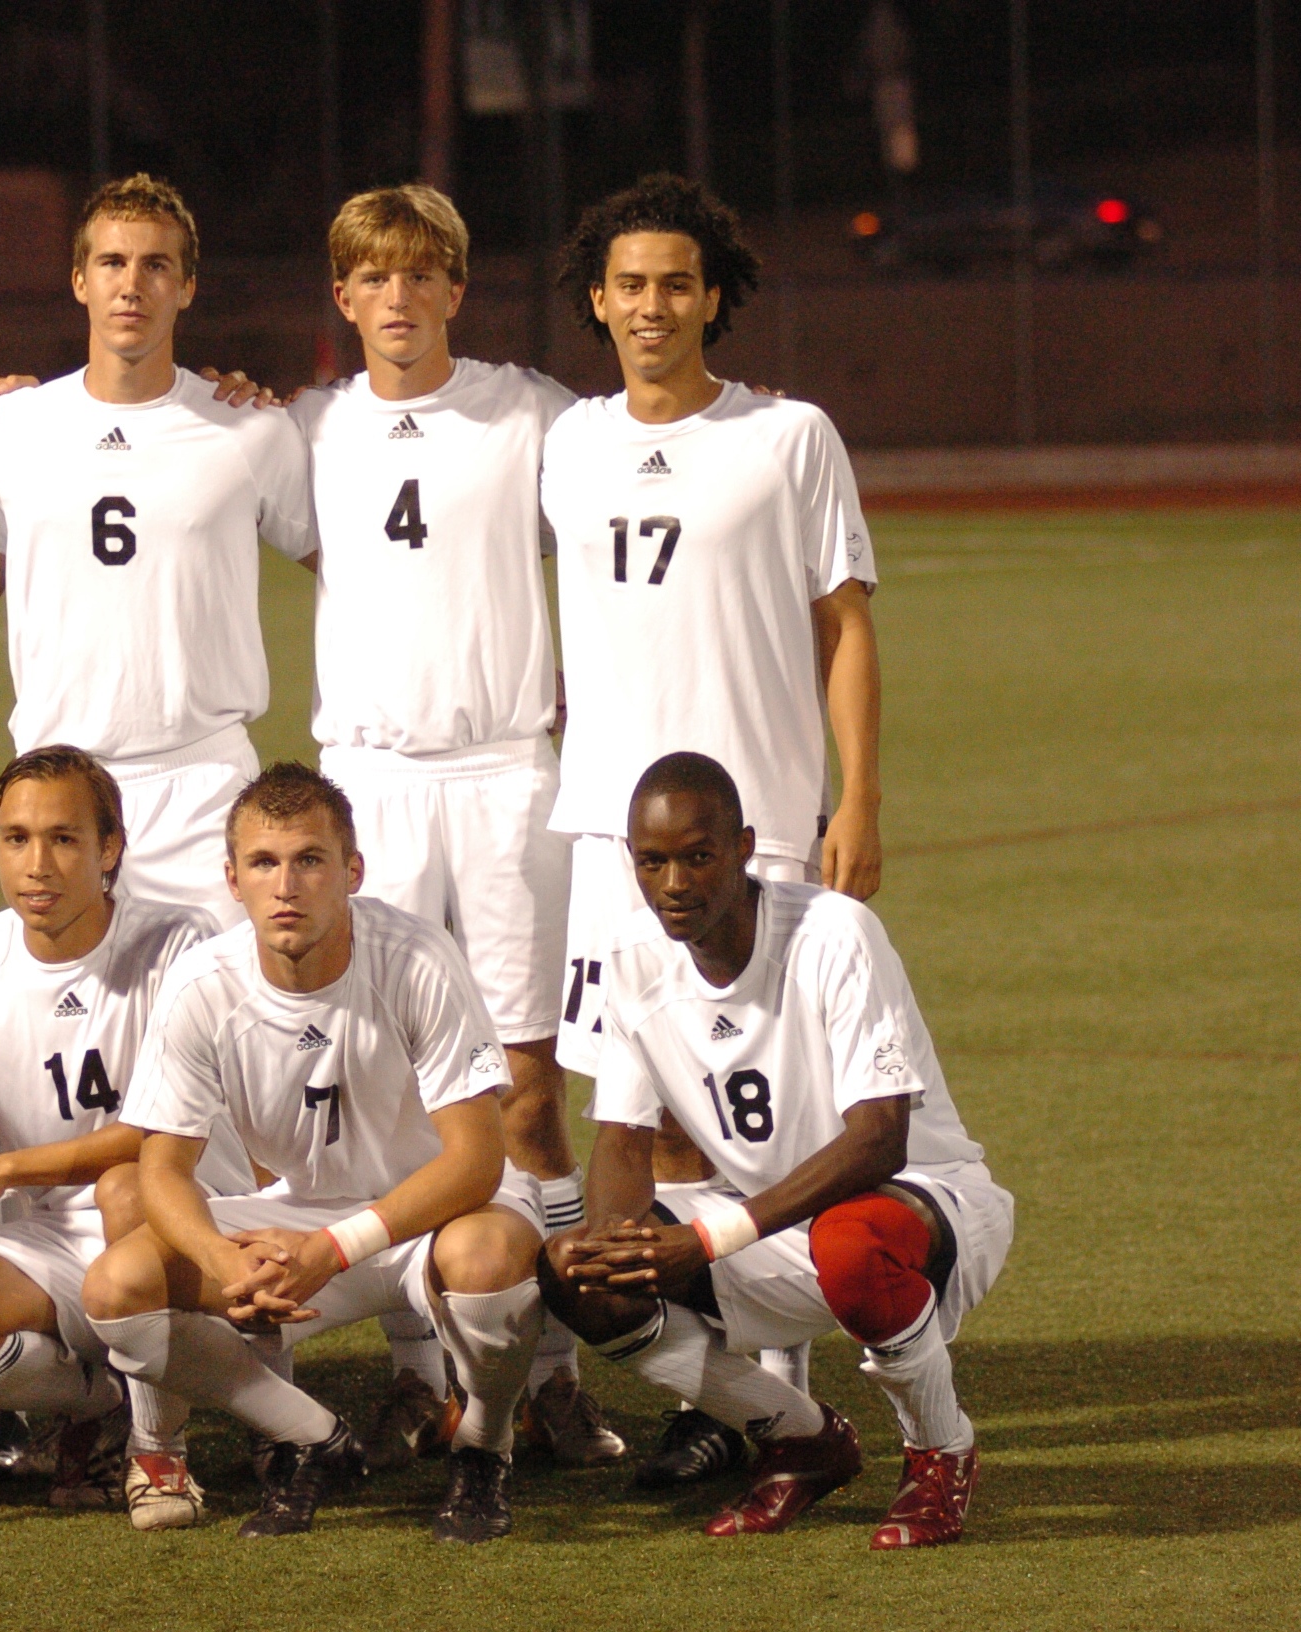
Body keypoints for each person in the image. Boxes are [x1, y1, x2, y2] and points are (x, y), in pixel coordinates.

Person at [540, 174, 884, 1472]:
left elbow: (847, 622)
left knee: (770, 1116)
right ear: (596, 300)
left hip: (761, 834)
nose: (651, 305)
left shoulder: (790, 436)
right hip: (608, 836)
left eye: (676, 283)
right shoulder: (564, 440)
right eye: (629, 284)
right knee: (651, 1115)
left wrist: (856, 795)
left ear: (716, 297)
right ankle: (721, 1398)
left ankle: (775, 1393)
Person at [290, 183, 622, 1471]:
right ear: (343, 295)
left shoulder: (528, 413)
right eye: (373, 277)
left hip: (502, 779)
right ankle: (414, 1373)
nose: (397, 299)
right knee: (384, 1091)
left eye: (422, 275)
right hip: (366, 779)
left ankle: (548, 1376)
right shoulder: (303, 431)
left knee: (528, 1088)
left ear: (454, 289)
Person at [541, 753, 1011, 1547]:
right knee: (570, 1268)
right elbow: (622, 1136)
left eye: (698, 856)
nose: (676, 884)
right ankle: (800, 1438)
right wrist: (615, 1245)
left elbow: (879, 1139)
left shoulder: (834, 933)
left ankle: (941, 1451)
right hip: (770, 1222)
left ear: (745, 846)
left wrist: (705, 1238)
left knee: (851, 1241)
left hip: (925, 1203)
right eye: (652, 862)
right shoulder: (629, 957)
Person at [82, 764, 547, 1541]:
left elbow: (475, 1162)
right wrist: (224, 1262)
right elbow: (161, 1170)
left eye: (310, 860)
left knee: (489, 1257)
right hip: (299, 1220)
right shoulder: (204, 984)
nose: (286, 885)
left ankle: (483, 1451)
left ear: (352, 871)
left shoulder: (416, 958)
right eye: (264, 863)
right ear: (232, 879)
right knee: (116, 1286)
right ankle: (312, 1438)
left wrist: (335, 1247)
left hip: (431, 1216)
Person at [0, 746, 261, 1527]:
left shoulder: (176, 945)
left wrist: (5, 1170)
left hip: (198, 1216)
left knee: (129, 1188)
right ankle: (102, 1400)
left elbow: (157, 1137)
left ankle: (159, 1452)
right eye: (17, 839)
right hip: (59, 1234)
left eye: (63, 839)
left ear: (110, 850)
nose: (38, 864)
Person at [0, 174, 318, 924]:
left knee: (227, 1027)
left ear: (186, 287)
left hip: (201, 784)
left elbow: (352, 565)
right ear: (79, 281)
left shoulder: (249, 430)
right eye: (113, 263)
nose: (133, 285)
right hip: (60, 790)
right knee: (69, 1029)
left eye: (156, 266)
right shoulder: (13, 428)